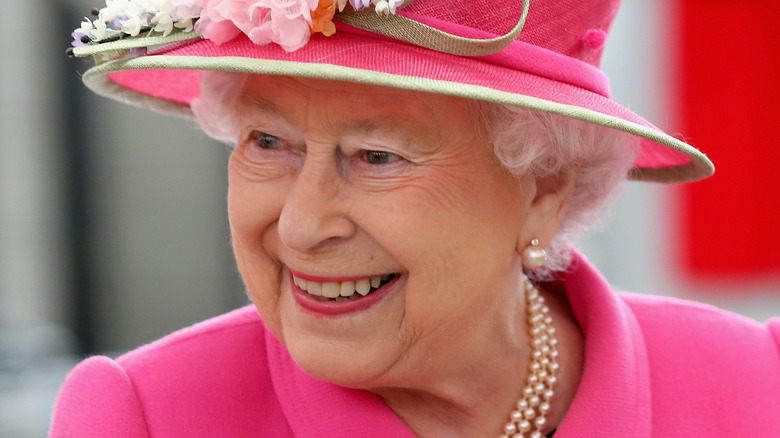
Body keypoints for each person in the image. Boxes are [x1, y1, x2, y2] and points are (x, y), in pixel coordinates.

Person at [52, 0, 780, 436]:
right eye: (267, 142)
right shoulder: (146, 420)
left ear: (543, 190)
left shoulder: (753, 389)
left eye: (376, 156)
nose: (304, 227)